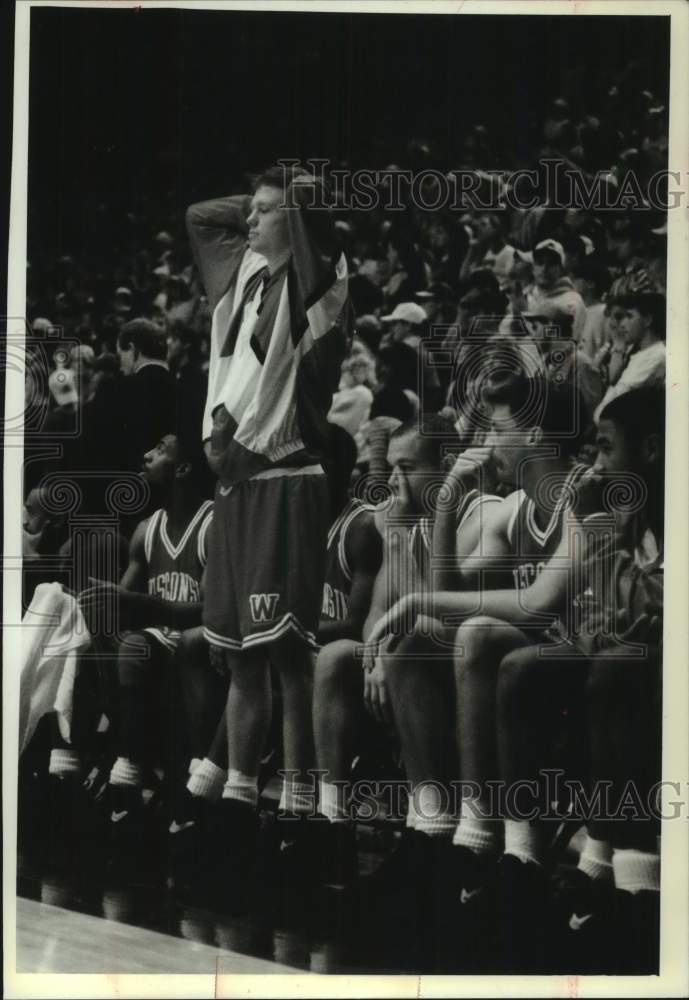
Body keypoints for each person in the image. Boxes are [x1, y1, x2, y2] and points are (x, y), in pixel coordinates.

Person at [368, 372, 590, 966]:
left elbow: (538, 602)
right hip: (532, 673)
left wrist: (421, 602)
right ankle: (437, 829)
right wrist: (443, 507)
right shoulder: (519, 506)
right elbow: (445, 602)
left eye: (497, 426)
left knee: (481, 631)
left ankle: (494, 843)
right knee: (417, 645)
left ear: (537, 432)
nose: (485, 441)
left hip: (588, 665)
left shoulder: (583, 494)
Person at [186, 164, 349, 880]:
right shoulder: (242, 271)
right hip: (236, 486)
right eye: (246, 211)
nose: (246, 222)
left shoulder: (318, 281)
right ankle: (238, 802)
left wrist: (297, 193)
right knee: (240, 657)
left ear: (297, 220)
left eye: (262, 213)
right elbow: (199, 216)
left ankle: (303, 808)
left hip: (287, 477)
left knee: (288, 654)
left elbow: (314, 217)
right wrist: (266, 192)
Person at [312, 415, 495, 886]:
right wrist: (373, 657)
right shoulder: (407, 520)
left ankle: (429, 830)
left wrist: (386, 651)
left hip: (466, 666)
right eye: (390, 468)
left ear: (447, 465)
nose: (393, 481)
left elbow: (441, 609)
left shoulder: (481, 512)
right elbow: (378, 611)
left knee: (411, 646)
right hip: (409, 658)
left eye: (407, 468)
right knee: (335, 658)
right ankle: (331, 825)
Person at [74, 432, 214, 865]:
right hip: (151, 647)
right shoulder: (144, 530)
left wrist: (135, 605)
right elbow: (121, 603)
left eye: (159, 451)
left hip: (196, 650)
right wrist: (89, 605)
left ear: (184, 468)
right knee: (82, 635)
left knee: (135, 643)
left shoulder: (216, 523)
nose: (146, 454)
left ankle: (125, 772)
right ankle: (80, 765)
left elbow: (209, 612)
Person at [116, 318, 177, 475]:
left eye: (120, 355)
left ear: (131, 348)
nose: (120, 365)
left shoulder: (118, 389)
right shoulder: (189, 389)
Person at [594, 291, 666, 422]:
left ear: (647, 320)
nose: (622, 324)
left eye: (630, 316)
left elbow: (610, 410)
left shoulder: (656, 357)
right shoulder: (641, 354)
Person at [526, 239, 587, 344]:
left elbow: (572, 342)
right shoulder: (527, 295)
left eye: (551, 263)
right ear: (533, 268)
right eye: (540, 263)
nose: (544, 269)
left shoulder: (572, 300)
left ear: (561, 269)